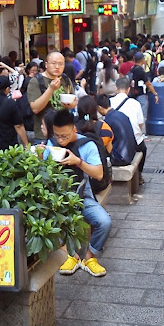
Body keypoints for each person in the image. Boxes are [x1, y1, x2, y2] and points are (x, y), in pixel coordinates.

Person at [44, 110, 111, 277]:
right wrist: (40, 155)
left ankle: (89, 257)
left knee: (104, 222)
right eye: (57, 135)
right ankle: (71, 255)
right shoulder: (51, 144)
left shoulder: (87, 145)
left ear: (74, 129)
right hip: (58, 198)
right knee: (50, 220)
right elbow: (42, 172)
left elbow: (99, 174)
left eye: (64, 136)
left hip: (82, 196)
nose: (60, 140)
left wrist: (78, 162)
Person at [27, 51, 75, 143]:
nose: (57, 67)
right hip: (44, 135)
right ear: (46, 64)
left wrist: (71, 105)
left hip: (64, 133)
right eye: (53, 63)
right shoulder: (36, 81)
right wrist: (51, 89)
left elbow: (73, 100)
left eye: (61, 64)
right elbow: (35, 109)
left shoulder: (65, 79)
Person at [109, 77, 147, 183]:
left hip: (115, 141)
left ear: (116, 88)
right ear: (129, 89)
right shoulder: (135, 103)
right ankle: (139, 174)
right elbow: (140, 124)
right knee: (143, 148)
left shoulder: (110, 102)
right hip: (134, 142)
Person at [96, 95, 138, 168]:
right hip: (131, 153)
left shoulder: (107, 121)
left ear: (99, 107)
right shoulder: (121, 114)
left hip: (119, 158)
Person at [130, 52, 159, 123]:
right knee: (142, 115)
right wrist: (155, 94)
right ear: (142, 60)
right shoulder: (140, 70)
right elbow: (148, 83)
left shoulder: (132, 69)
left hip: (133, 93)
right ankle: (141, 129)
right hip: (141, 93)